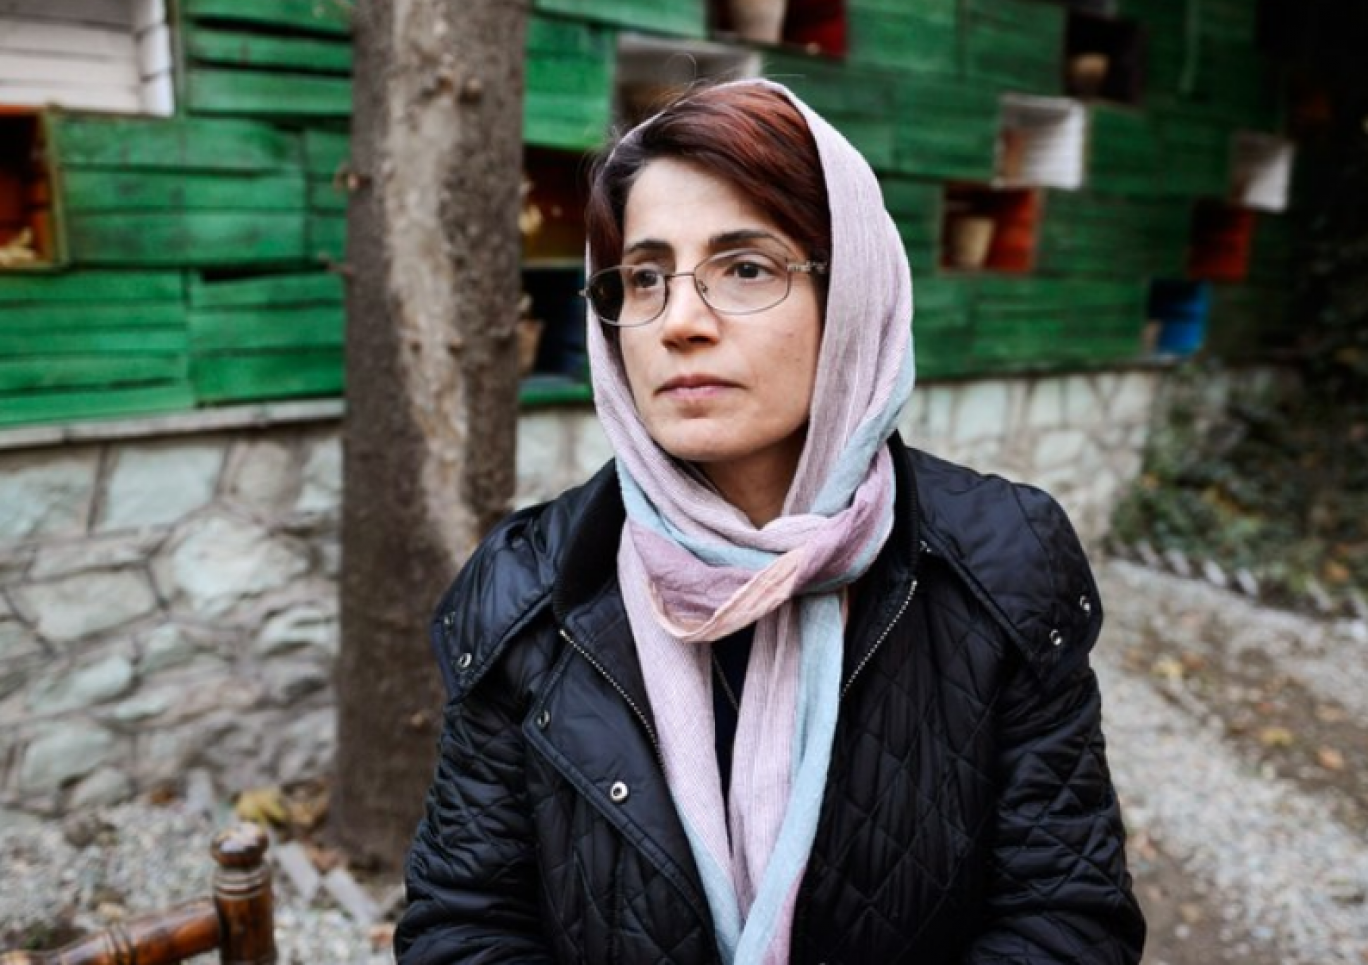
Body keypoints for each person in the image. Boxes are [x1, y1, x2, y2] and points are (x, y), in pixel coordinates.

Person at [395, 78, 1146, 964]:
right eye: (644, 277)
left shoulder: (1003, 563)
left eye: (745, 267)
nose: (678, 322)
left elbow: (1066, 916)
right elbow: (462, 925)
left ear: (852, 293)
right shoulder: (527, 589)